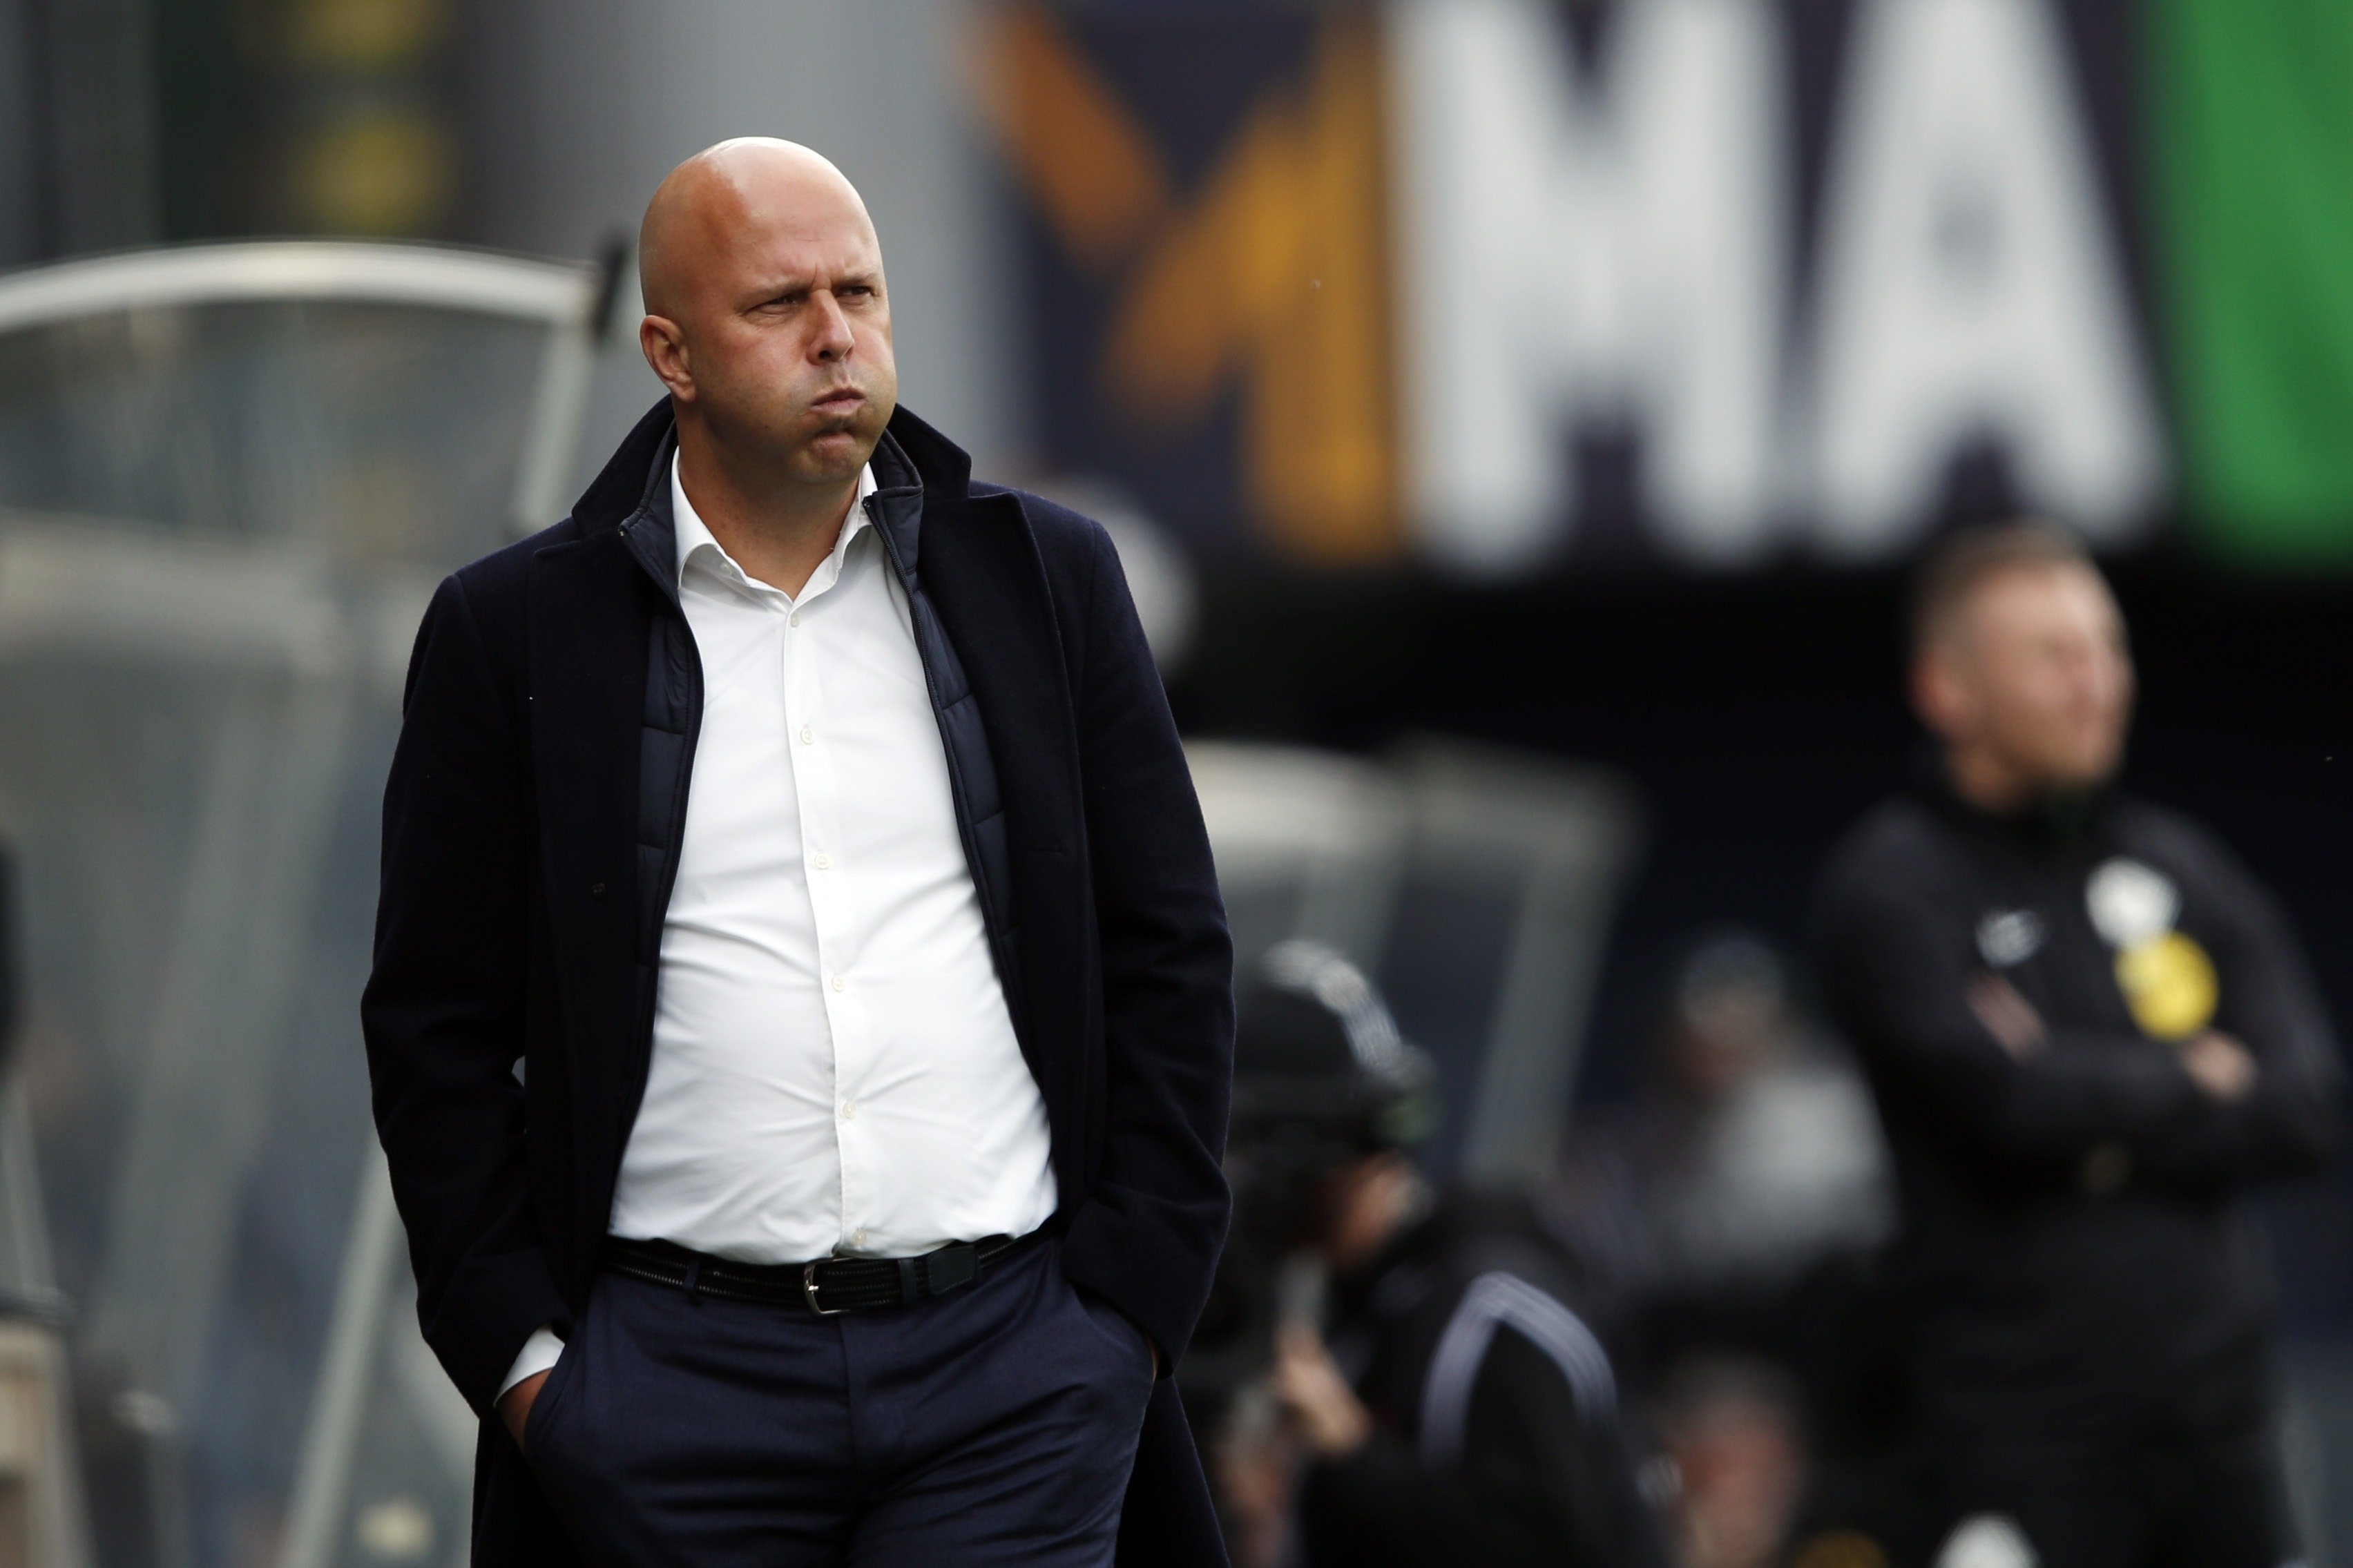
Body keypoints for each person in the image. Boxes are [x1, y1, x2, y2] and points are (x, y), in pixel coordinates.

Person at [361, 139, 1234, 1568]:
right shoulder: (513, 632)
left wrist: (1124, 1318)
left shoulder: (1044, 578)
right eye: (779, 304)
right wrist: (531, 1370)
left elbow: (1171, 951)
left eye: (859, 293)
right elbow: (433, 1031)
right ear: (670, 353)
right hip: (668, 1390)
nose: (836, 336)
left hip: (1014, 1377)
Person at [1809, 523, 2338, 1567]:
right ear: (1946, 690)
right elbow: (2003, 1108)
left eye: (2106, 648)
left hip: (2223, 1436)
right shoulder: (1891, 887)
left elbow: (2306, 1108)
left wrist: (2082, 1099)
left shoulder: (2177, 865)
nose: (2093, 684)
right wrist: (2192, 1074)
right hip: (2022, 1446)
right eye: (2051, 656)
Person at [1213, 942, 1666, 1567]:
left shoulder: (1493, 1312)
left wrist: (1350, 1452)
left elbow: (1545, 1546)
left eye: (1260, 1147)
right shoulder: (1371, 1307)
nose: (1243, 1178)